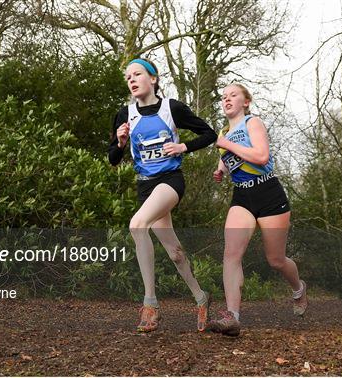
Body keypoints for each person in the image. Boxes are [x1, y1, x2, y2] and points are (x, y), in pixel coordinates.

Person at [108, 58, 217, 333]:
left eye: (138, 74)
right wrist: (120, 143)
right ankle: (201, 298)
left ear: (153, 79)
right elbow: (112, 158)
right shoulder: (125, 114)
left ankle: (151, 304)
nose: (132, 80)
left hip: (170, 181)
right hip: (145, 187)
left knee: (136, 225)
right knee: (175, 253)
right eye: (128, 77)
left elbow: (209, 134)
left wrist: (183, 147)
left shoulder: (173, 108)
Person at [208, 83, 308, 336]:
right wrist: (221, 169)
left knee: (275, 260)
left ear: (246, 102)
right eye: (223, 97)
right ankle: (233, 316)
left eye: (233, 95)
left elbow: (261, 157)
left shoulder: (253, 123)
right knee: (231, 253)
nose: (227, 99)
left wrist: (225, 144)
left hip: (269, 194)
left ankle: (298, 289)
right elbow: (228, 156)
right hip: (242, 196)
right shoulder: (224, 133)